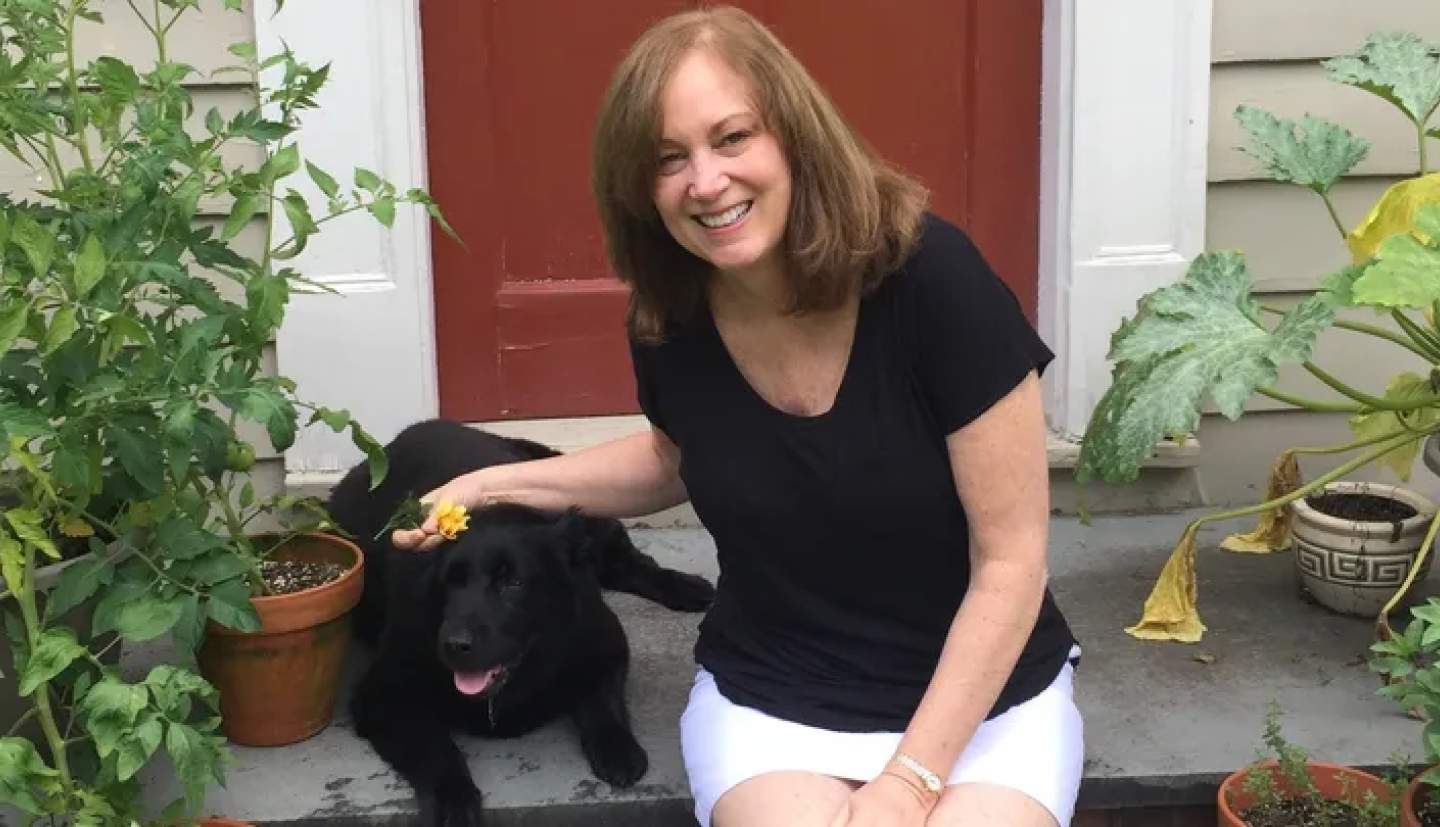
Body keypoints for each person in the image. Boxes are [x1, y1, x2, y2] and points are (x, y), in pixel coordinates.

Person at [392, 6, 1083, 827]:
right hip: (780, 696)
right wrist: (488, 479)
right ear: (641, 190)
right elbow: (673, 459)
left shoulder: (934, 282)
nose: (707, 182)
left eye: (732, 138)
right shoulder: (672, 317)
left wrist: (907, 782)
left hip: (981, 705)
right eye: (669, 160)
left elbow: (1011, 562)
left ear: (794, 133)